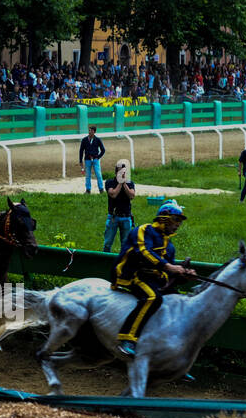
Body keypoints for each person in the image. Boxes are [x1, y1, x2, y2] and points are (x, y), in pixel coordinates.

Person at [112, 200, 196, 358]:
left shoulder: (169, 246)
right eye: (176, 219)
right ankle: (127, 339)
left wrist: (184, 274)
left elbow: (170, 275)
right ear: (164, 217)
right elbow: (143, 252)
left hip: (153, 279)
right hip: (133, 274)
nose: (178, 224)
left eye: (180, 221)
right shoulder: (143, 230)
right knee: (152, 298)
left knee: (179, 302)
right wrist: (169, 267)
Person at [103, 158, 136, 252]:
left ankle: (123, 263)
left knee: (126, 245)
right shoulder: (110, 182)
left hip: (126, 217)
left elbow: (132, 195)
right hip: (113, 217)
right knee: (107, 243)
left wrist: (124, 183)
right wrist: (120, 183)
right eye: (120, 172)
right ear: (116, 172)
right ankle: (105, 261)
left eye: (124, 172)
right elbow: (113, 194)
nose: (123, 174)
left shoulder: (130, 183)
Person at [79, 124, 106, 194]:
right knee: (88, 175)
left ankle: (101, 189)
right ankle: (88, 190)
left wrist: (98, 157)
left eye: (90, 130)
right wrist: (80, 160)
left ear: (94, 131)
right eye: (89, 130)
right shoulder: (84, 140)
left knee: (98, 175)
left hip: (95, 160)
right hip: (87, 160)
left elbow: (103, 150)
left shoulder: (98, 140)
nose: (89, 132)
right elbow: (81, 150)